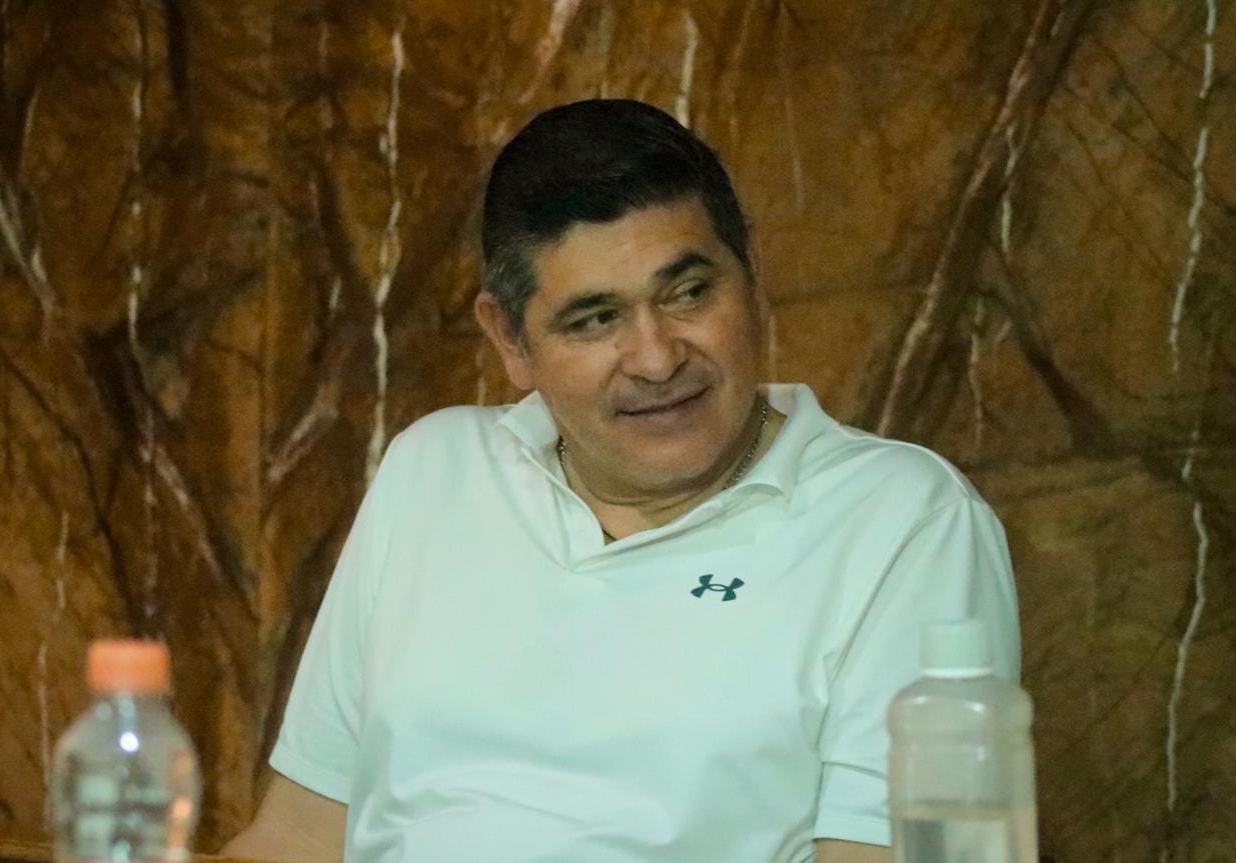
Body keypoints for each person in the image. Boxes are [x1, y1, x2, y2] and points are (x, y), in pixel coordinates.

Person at [223, 99, 1020, 863]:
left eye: (689, 293)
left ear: (752, 275)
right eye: (596, 319)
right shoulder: (432, 469)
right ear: (509, 339)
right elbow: (300, 836)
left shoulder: (904, 519)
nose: (657, 358)